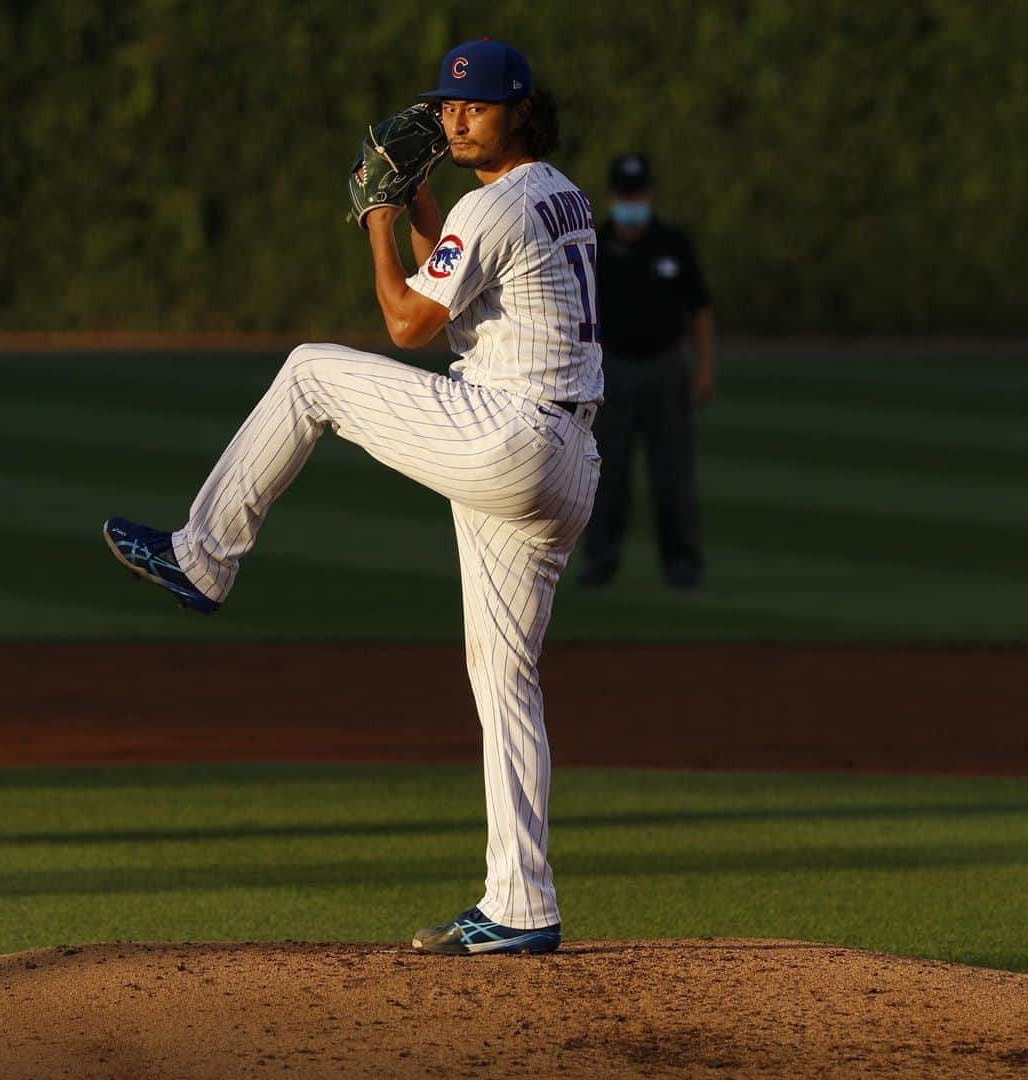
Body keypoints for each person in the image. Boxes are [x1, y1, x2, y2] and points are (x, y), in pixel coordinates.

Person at [102, 39, 602, 956]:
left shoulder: (496, 204)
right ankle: (522, 904)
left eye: (475, 107)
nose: (453, 119)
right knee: (504, 680)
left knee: (311, 375)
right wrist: (416, 204)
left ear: (520, 111)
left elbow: (409, 322)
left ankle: (202, 557)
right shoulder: (556, 196)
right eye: (447, 106)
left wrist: (375, 214)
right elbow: (457, 288)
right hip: (565, 460)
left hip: (508, 434)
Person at [578, 152, 715, 589]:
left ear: (648, 196)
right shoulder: (595, 247)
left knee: (673, 474)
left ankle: (683, 566)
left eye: (637, 194)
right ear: (612, 196)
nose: (631, 202)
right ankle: (600, 563)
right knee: (606, 475)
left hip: (665, 367)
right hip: (612, 371)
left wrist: (704, 369)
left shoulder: (673, 244)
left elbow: (700, 310)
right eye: (625, 194)